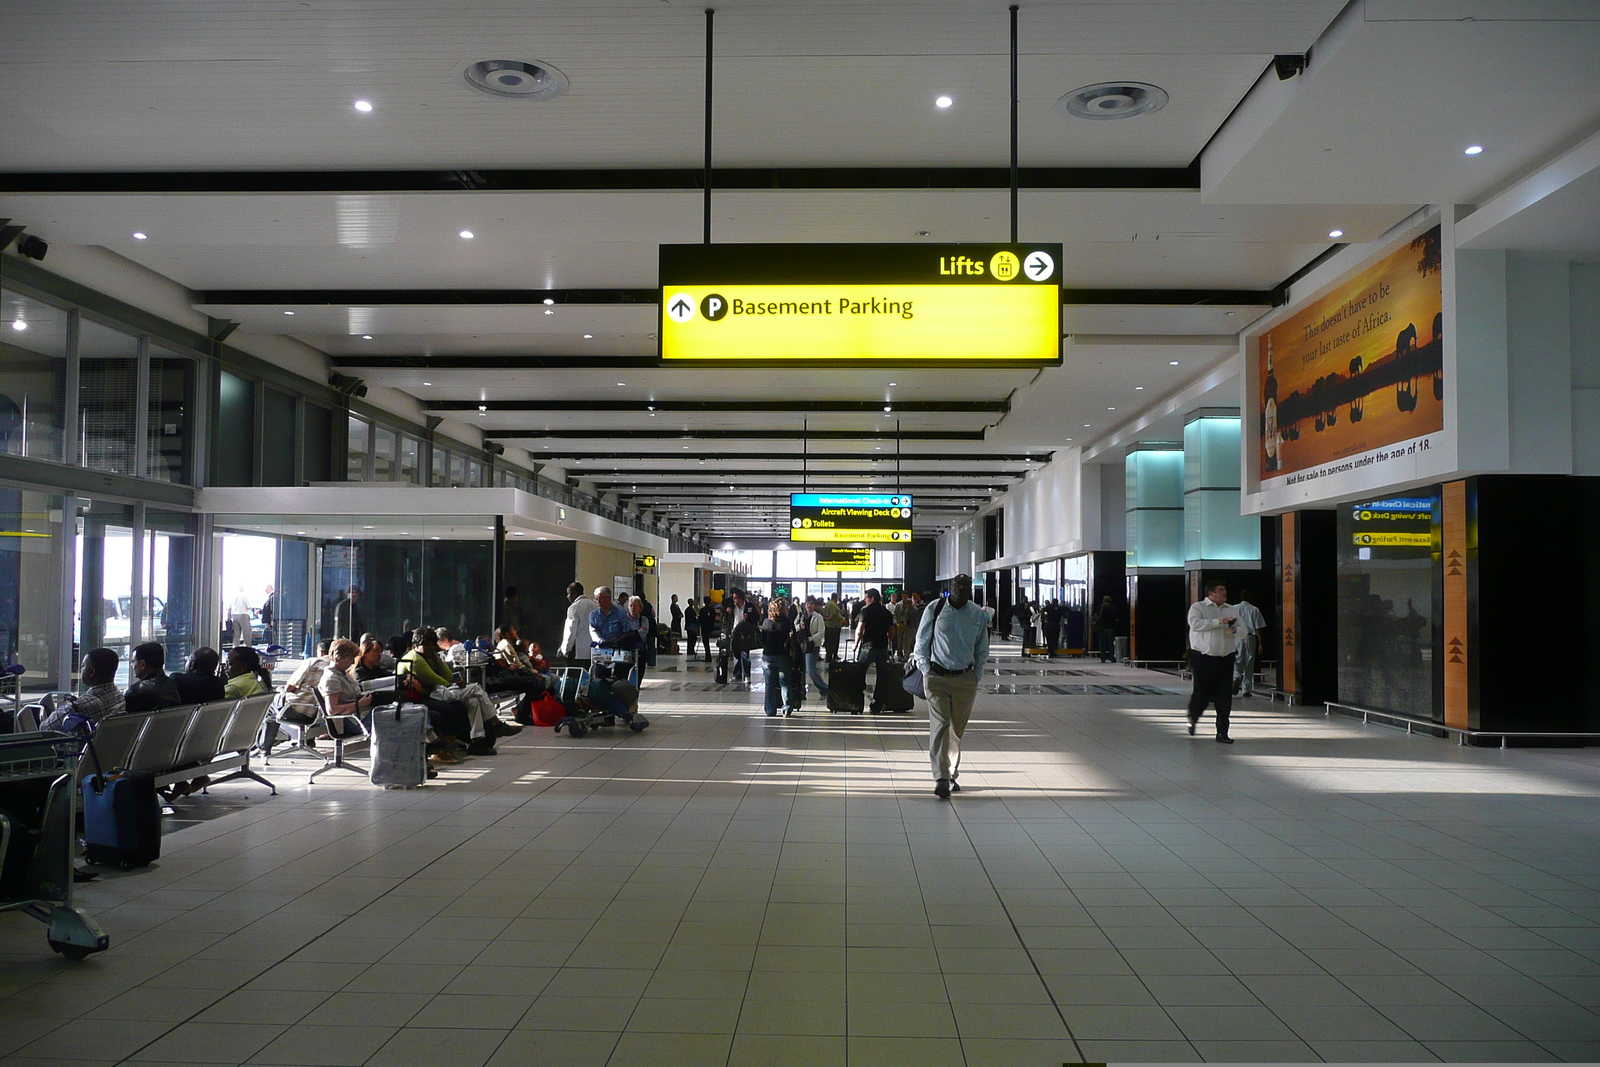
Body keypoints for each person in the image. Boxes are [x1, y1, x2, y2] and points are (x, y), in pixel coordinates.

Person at [911, 575, 990, 799]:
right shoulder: (935, 609)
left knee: (956, 729)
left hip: (965, 679)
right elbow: (922, 640)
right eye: (957, 585)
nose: (962, 589)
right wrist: (926, 668)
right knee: (940, 725)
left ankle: (952, 773)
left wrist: (976, 675)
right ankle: (941, 777)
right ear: (950, 588)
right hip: (936, 677)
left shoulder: (977, 614)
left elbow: (982, 647)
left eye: (966, 586)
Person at [400, 627, 497, 755]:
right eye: (426, 645)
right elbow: (436, 679)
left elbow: (447, 675)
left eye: (432, 645)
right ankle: (495, 722)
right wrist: (451, 683)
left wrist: (437, 659)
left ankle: (476, 739)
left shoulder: (429, 656)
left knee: (473, 701)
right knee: (472, 690)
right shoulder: (415, 659)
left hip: (436, 692)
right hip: (420, 697)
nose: (430, 648)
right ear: (416, 645)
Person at [1186, 580, 1240, 744]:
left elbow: (1243, 628)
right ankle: (1193, 717)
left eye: (1225, 590)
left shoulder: (1231, 609)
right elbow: (1194, 624)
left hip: (1226, 658)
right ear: (1211, 593)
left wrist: (1237, 630)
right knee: (1202, 694)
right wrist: (1217, 622)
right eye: (1221, 590)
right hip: (1203, 658)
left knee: (1224, 696)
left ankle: (1222, 732)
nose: (1225, 593)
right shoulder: (1199, 608)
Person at [38, 648, 124, 733]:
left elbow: (45, 728)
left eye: (83, 666)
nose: (81, 670)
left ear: (92, 671)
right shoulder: (121, 698)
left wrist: (70, 705)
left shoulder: (79, 707)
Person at [854, 588, 896, 713]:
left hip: (868, 647)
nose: (865, 600)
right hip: (882, 648)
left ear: (872, 598)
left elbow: (860, 630)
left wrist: (855, 645)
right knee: (882, 677)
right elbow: (891, 631)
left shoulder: (865, 611)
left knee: (859, 673)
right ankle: (877, 706)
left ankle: (857, 704)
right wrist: (888, 640)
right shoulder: (887, 612)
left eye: (866, 598)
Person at [758, 600, 797, 717]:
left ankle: (770, 710)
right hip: (783, 656)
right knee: (785, 683)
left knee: (769, 684)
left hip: (768, 656)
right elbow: (793, 636)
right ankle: (787, 708)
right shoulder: (787, 622)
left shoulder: (766, 622)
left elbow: (762, 640)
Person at [121, 641, 183, 713]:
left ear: (142, 664)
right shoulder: (172, 684)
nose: (132, 665)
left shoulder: (135, 692)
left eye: (133, 661)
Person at [1232, 590, 1267, 698]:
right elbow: (1258, 628)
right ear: (1250, 598)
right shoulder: (1254, 610)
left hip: (1237, 637)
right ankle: (1246, 690)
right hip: (1250, 637)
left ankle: (1236, 677)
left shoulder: (1234, 608)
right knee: (1249, 662)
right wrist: (1261, 644)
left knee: (1237, 660)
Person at [796, 597, 828, 706]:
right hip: (801, 645)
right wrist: (800, 626)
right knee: (802, 669)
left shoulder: (818, 617)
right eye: (807, 603)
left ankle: (824, 688)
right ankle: (802, 692)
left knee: (811, 669)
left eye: (811, 603)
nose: (809, 605)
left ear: (815, 605)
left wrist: (812, 638)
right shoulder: (801, 615)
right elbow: (794, 626)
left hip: (813, 646)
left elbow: (821, 632)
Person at [561, 581, 599, 669]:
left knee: (576, 679)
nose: (567, 597)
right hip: (592, 651)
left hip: (577, 651)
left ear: (574, 594)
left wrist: (565, 649)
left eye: (568, 594)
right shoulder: (595, 606)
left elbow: (570, 631)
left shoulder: (574, 608)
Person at [726, 589, 759, 687]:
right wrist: (727, 611)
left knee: (745, 655)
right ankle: (737, 674)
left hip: (746, 634)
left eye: (735, 598)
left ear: (740, 598)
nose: (734, 600)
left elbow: (757, 617)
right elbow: (726, 612)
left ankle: (747, 675)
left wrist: (749, 616)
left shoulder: (749, 606)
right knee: (736, 654)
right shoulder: (732, 607)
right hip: (734, 632)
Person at [626, 595, 654, 686]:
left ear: (640, 608)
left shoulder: (644, 620)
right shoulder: (624, 620)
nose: (633, 608)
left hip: (640, 651)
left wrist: (632, 634)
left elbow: (643, 633)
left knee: (639, 674)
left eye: (635, 606)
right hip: (627, 650)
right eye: (631, 606)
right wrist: (635, 633)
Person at [1092, 595, 1118, 663]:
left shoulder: (1100, 607)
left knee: (1102, 644)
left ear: (1103, 600)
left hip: (1101, 628)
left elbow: (1095, 616)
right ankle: (1112, 657)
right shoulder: (1113, 608)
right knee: (1111, 644)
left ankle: (1103, 658)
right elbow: (1116, 619)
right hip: (1110, 628)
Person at [821, 594, 843, 662]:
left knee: (828, 642)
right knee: (834, 642)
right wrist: (827, 618)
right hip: (834, 626)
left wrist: (824, 618)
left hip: (828, 626)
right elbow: (832, 616)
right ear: (836, 598)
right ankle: (832, 656)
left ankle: (829, 656)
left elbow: (824, 613)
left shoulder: (827, 604)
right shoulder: (833, 605)